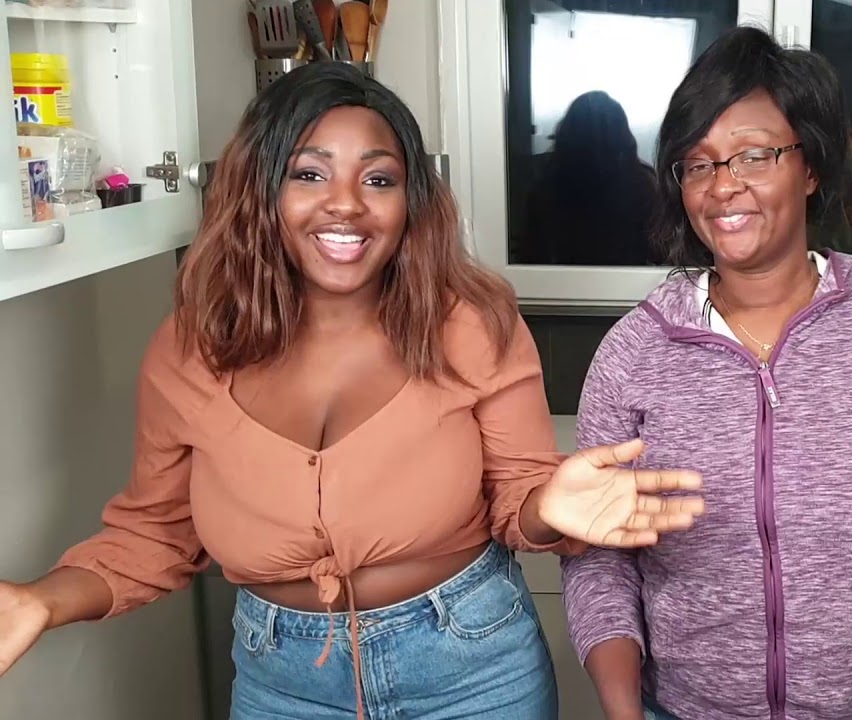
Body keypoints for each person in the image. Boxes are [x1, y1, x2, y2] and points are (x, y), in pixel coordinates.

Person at [0, 62, 704, 720]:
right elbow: (153, 533)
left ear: (410, 201)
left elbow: (519, 500)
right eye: (309, 173)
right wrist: (41, 602)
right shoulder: (189, 348)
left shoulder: (472, 325)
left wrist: (548, 507)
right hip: (281, 682)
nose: (346, 206)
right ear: (261, 189)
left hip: (473, 670)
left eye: (378, 180)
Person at [561, 27, 852, 720]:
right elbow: (596, 553)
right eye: (698, 163)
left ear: (811, 168)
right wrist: (624, 711)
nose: (723, 187)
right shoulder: (634, 351)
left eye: (754, 154)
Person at [520, 90, 662, 266]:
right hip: (629, 287)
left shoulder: (544, 185)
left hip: (555, 286)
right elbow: (659, 255)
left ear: (567, 134)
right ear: (621, 136)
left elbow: (529, 256)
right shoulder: (643, 186)